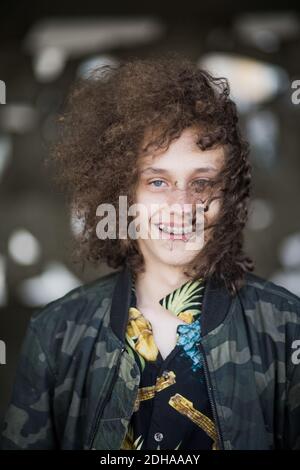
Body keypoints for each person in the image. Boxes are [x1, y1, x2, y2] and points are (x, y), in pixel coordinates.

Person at [1, 55, 300, 450]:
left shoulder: (286, 327)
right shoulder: (56, 334)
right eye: (158, 182)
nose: (181, 205)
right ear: (122, 195)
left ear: (228, 197)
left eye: (202, 183)